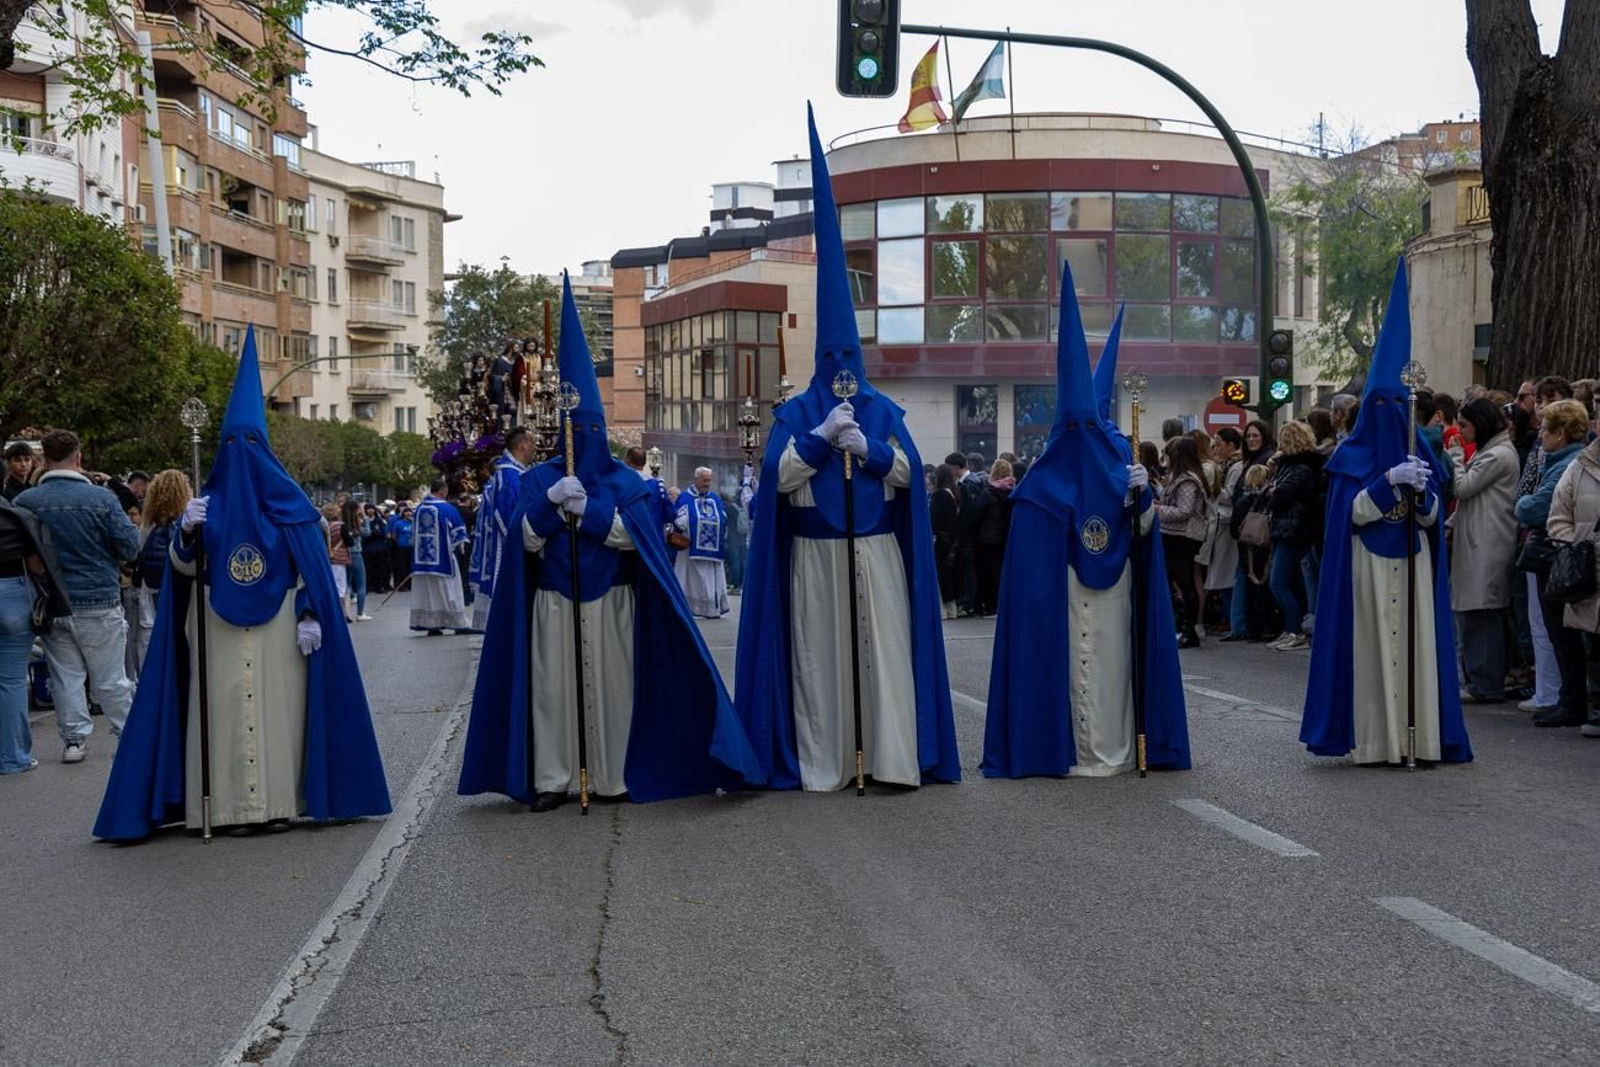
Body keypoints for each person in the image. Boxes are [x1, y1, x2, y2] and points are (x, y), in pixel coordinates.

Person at [459, 274, 763, 810]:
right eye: (573, 433)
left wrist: (591, 512)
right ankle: (554, 779)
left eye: (590, 432)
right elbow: (524, 542)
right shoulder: (536, 480)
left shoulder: (626, 483)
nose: (583, 443)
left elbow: (636, 539)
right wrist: (552, 505)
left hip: (615, 603)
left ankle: (612, 776)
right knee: (553, 693)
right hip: (553, 601)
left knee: (615, 693)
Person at [734, 107, 960, 793]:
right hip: (814, 556)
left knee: (883, 656)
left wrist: (875, 449)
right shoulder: (796, 411)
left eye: (847, 355)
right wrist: (820, 437)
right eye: (829, 356)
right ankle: (827, 759)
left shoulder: (885, 408)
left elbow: (909, 479)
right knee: (821, 661)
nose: (839, 366)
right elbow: (776, 478)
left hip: (878, 553)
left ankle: (888, 756)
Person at [94, 327, 390, 839]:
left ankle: (279, 803)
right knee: (221, 715)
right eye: (232, 443)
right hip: (213, 627)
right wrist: (185, 535)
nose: (240, 451)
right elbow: (184, 572)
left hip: (280, 631)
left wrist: (312, 614)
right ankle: (226, 809)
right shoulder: (206, 508)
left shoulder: (296, 510)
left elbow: (312, 576)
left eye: (249, 442)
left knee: (281, 715)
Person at [983, 259, 1190, 778]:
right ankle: (1065, 747)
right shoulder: (1039, 486)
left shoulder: (1118, 468)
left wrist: (1141, 499)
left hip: (1115, 594)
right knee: (1067, 667)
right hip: (1067, 598)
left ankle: (1118, 746)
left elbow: (1142, 535)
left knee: (1114, 669)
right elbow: (1029, 573)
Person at [1301, 261, 1471, 764]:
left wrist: (1423, 495)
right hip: (1366, 567)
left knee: (1417, 648)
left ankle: (1421, 736)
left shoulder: (1420, 452)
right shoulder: (1347, 459)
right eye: (1382, 405)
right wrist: (1385, 482)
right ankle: (1375, 740)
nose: (1391, 415)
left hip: (1413, 561)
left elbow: (1433, 519)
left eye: (1398, 405)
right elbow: (1347, 517)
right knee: (1370, 652)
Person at [14, 429, 140, 763]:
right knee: (111, 677)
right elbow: (129, 546)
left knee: (65, 676)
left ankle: (74, 741)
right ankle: (128, 733)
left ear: (44, 460)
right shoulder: (102, 500)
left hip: (52, 602)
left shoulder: (25, 502)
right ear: (79, 458)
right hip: (99, 597)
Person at [1515, 399, 1590, 727]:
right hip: (1555, 552)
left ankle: (1573, 702)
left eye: (1546, 429)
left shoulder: (1565, 464)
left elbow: (1533, 507)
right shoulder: (1559, 460)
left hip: (1558, 553)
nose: (1540, 435)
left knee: (1564, 633)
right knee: (1559, 632)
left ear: (1560, 434)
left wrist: (1522, 503)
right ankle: (1569, 699)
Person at [1446, 399, 1519, 703]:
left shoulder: (1498, 455)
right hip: (1478, 538)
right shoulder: (1491, 451)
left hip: (1487, 543)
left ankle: (1485, 683)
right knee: (1474, 614)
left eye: (1464, 425)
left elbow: (1463, 489)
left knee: (1481, 613)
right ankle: (1480, 678)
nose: (1460, 432)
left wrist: (1454, 458)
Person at [0, 492, 70, 774]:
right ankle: (13, 757)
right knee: (11, 682)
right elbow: (38, 565)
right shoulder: (18, 516)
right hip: (14, 596)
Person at [1543, 408, 1600, 737]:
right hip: (1589, 568)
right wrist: (1578, 545)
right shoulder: (1580, 466)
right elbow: (1558, 516)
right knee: (1593, 641)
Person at [1262, 421, 1325, 652]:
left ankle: (1295, 631)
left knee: (1277, 582)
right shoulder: (1294, 466)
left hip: (1295, 530)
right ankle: (1290, 629)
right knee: (1286, 581)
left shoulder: (1300, 468)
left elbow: (1280, 496)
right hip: (1288, 528)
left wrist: (1271, 491)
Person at [469, 426, 537, 632]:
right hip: (509, 549)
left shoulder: (508, 473)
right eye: (533, 443)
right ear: (523, 444)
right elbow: (510, 517)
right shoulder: (509, 475)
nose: (535, 448)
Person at [128, 470, 191, 676]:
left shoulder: (149, 522)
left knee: (154, 631)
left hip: (154, 585)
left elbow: (139, 550)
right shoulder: (189, 519)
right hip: (182, 581)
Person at [1156, 437, 1210, 648]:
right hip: (1178, 535)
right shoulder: (1184, 477)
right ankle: (1185, 626)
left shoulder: (1187, 480)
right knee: (1181, 582)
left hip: (1183, 536)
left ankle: (1189, 629)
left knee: (1185, 583)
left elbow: (1184, 511)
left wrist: (1158, 510)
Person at [410, 479, 474, 635]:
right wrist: (460, 548)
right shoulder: (447, 508)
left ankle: (433, 625)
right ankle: (458, 624)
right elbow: (459, 533)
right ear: (443, 491)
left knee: (428, 593)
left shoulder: (418, 509)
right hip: (443, 558)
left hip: (422, 560)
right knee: (450, 591)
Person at [672, 467, 731, 619]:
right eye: (704, 480)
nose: (707, 483)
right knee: (690, 581)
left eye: (709, 480)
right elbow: (677, 522)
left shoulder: (715, 498)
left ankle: (711, 610)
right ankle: (689, 608)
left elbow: (723, 519)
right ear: (696, 479)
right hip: (689, 549)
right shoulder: (684, 497)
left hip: (712, 552)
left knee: (710, 582)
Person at [1208, 427, 1245, 639]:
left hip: (1227, 522)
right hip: (1220, 521)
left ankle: (1232, 618)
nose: (1216, 449)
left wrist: (1212, 486)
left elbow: (1229, 496)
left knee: (1227, 573)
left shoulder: (1236, 466)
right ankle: (1227, 616)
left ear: (1231, 446)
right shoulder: (1224, 465)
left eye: (1219, 444)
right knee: (1222, 573)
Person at [972, 458, 1016, 617]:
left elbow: (977, 515)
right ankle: (1005, 603)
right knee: (1004, 572)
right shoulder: (1014, 492)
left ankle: (992, 605)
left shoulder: (988, 492)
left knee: (990, 573)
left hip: (988, 539)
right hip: (1008, 539)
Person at [929, 464, 962, 620]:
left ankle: (945, 610)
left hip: (940, 540)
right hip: (951, 540)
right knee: (949, 575)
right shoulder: (953, 493)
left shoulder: (938, 495)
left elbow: (934, 519)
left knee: (941, 575)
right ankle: (952, 609)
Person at [341, 500, 370, 621]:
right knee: (361, 585)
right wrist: (365, 518)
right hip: (356, 553)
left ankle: (346, 612)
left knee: (346, 583)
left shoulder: (342, 523)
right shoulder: (357, 523)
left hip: (344, 554)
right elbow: (367, 533)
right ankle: (360, 612)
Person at [361, 503, 391, 595]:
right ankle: (368, 586)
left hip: (378, 548)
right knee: (367, 569)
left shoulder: (379, 520)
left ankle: (379, 586)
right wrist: (373, 533)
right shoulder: (363, 521)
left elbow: (382, 533)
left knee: (379, 568)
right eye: (368, 509)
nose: (370, 510)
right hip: (367, 548)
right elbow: (364, 534)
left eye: (372, 509)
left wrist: (373, 533)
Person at [390, 504, 414, 589]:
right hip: (402, 547)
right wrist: (399, 542)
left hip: (411, 547)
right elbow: (394, 535)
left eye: (409, 511)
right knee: (402, 566)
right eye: (406, 512)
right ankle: (401, 584)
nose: (408, 513)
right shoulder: (398, 523)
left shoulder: (413, 523)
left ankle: (410, 584)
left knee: (409, 566)